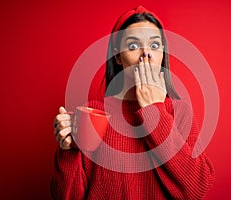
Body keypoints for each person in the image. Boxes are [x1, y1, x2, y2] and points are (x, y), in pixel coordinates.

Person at [51, 5, 215, 200]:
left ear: (162, 54)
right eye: (133, 46)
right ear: (118, 56)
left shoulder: (179, 112)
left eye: (154, 46)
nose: (146, 54)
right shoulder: (94, 113)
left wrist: (154, 110)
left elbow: (196, 189)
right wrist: (68, 151)